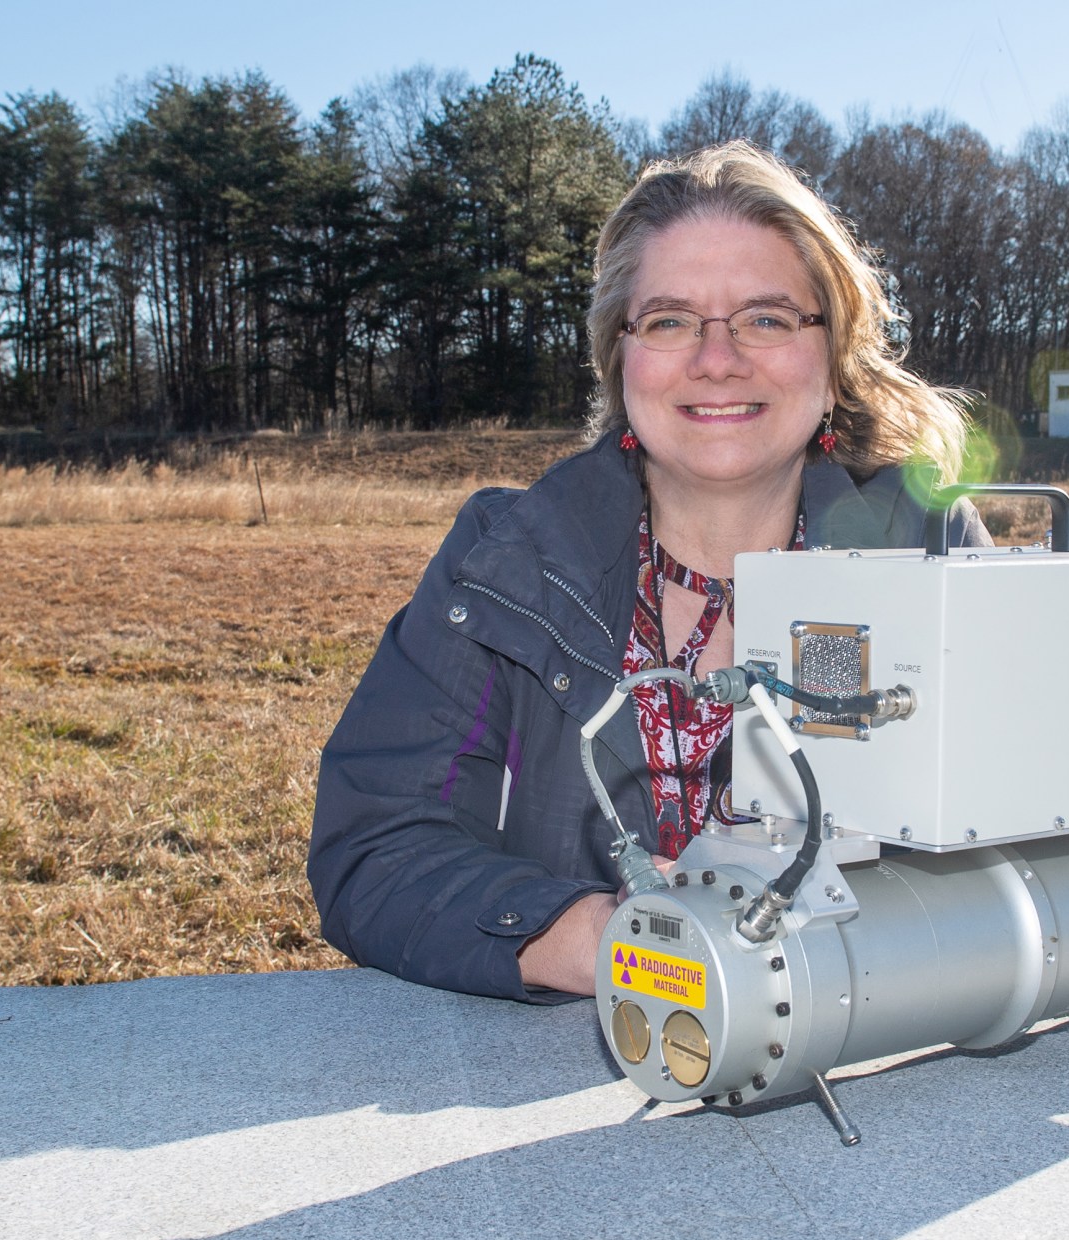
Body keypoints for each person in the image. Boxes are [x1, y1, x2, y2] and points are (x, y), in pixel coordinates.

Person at [308, 142, 988, 1003]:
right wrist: (593, 937)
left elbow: (1023, 845)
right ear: (619, 357)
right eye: (669, 320)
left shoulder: (925, 554)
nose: (717, 358)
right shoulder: (508, 562)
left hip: (866, 1054)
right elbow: (375, 848)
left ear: (834, 355)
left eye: (768, 318)